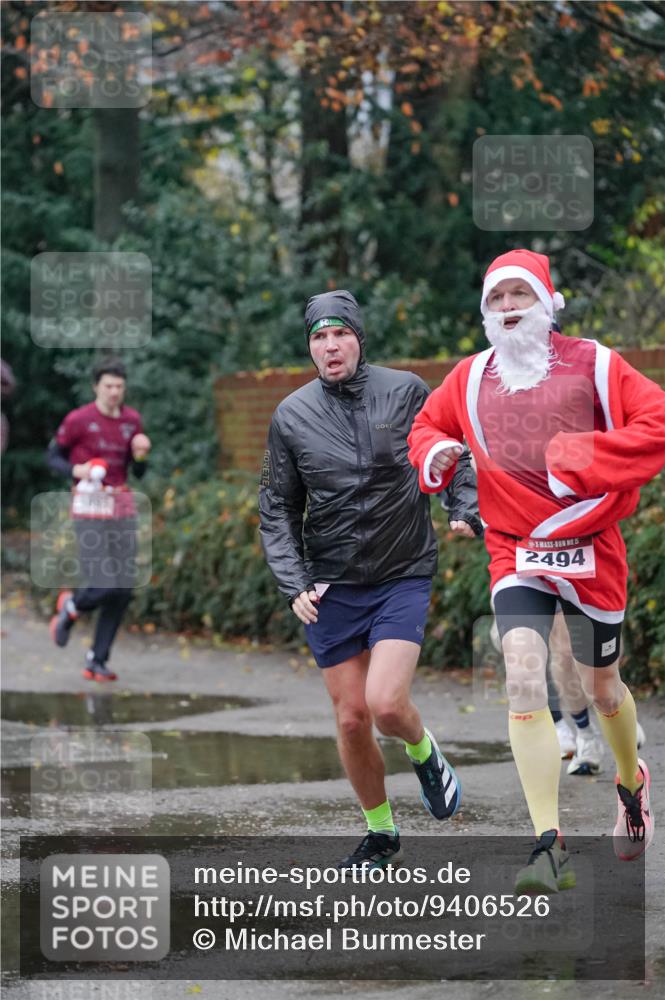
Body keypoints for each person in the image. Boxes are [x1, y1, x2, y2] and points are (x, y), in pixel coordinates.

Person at [408, 249, 665, 891]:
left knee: (601, 687)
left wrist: (582, 455)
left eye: (520, 295)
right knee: (522, 675)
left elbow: (657, 421)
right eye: (496, 299)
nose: (508, 308)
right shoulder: (469, 378)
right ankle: (547, 845)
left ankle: (632, 781)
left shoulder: (595, 365)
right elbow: (425, 425)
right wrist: (437, 451)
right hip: (515, 548)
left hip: (590, 550)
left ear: (546, 302)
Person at [259, 290, 478, 869]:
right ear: (309, 347)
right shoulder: (292, 416)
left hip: (402, 569)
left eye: (340, 335)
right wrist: (293, 580)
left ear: (358, 337)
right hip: (331, 583)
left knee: (384, 703)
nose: (330, 347)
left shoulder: (404, 390)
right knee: (352, 716)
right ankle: (381, 830)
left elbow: (452, 448)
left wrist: (462, 505)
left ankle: (424, 750)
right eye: (318, 338)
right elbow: (277, 507)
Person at [46, 358, 151, 682]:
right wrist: (76, 471)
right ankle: (71, 607)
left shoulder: (132, 420)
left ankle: (97, 660)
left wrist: (142, 455)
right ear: (96, 387)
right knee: (104, 582)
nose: (114, 392)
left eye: (119, 386)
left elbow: (138, 471)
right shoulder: (79, 419)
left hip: (120, 505)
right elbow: (52, 457)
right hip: (89, 505)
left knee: (122, 588)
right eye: (108, 386)